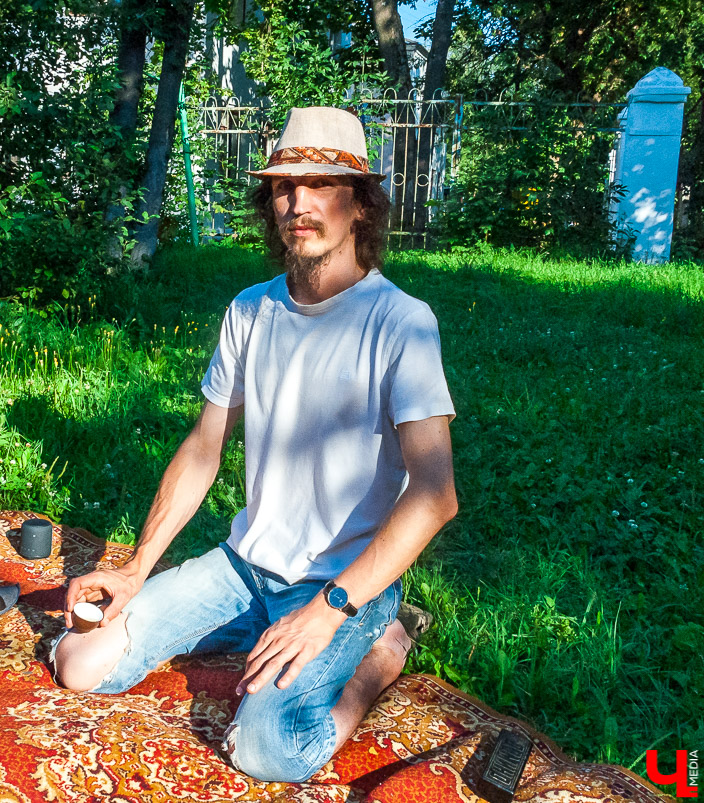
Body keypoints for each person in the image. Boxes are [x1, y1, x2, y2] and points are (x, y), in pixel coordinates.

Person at [53, 107, 458, 782]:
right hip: (244, 566)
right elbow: (205, 444)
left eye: (319, 184)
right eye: (282, 186)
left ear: (360, 204)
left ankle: (383, 651)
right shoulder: (250, 309)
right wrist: (135, 566)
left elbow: (435, 494)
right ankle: (259, 632)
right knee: (79, 662)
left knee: (268, 750)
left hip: (341, 584)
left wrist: (329, 609)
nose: (297, 202)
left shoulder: (403, 324)